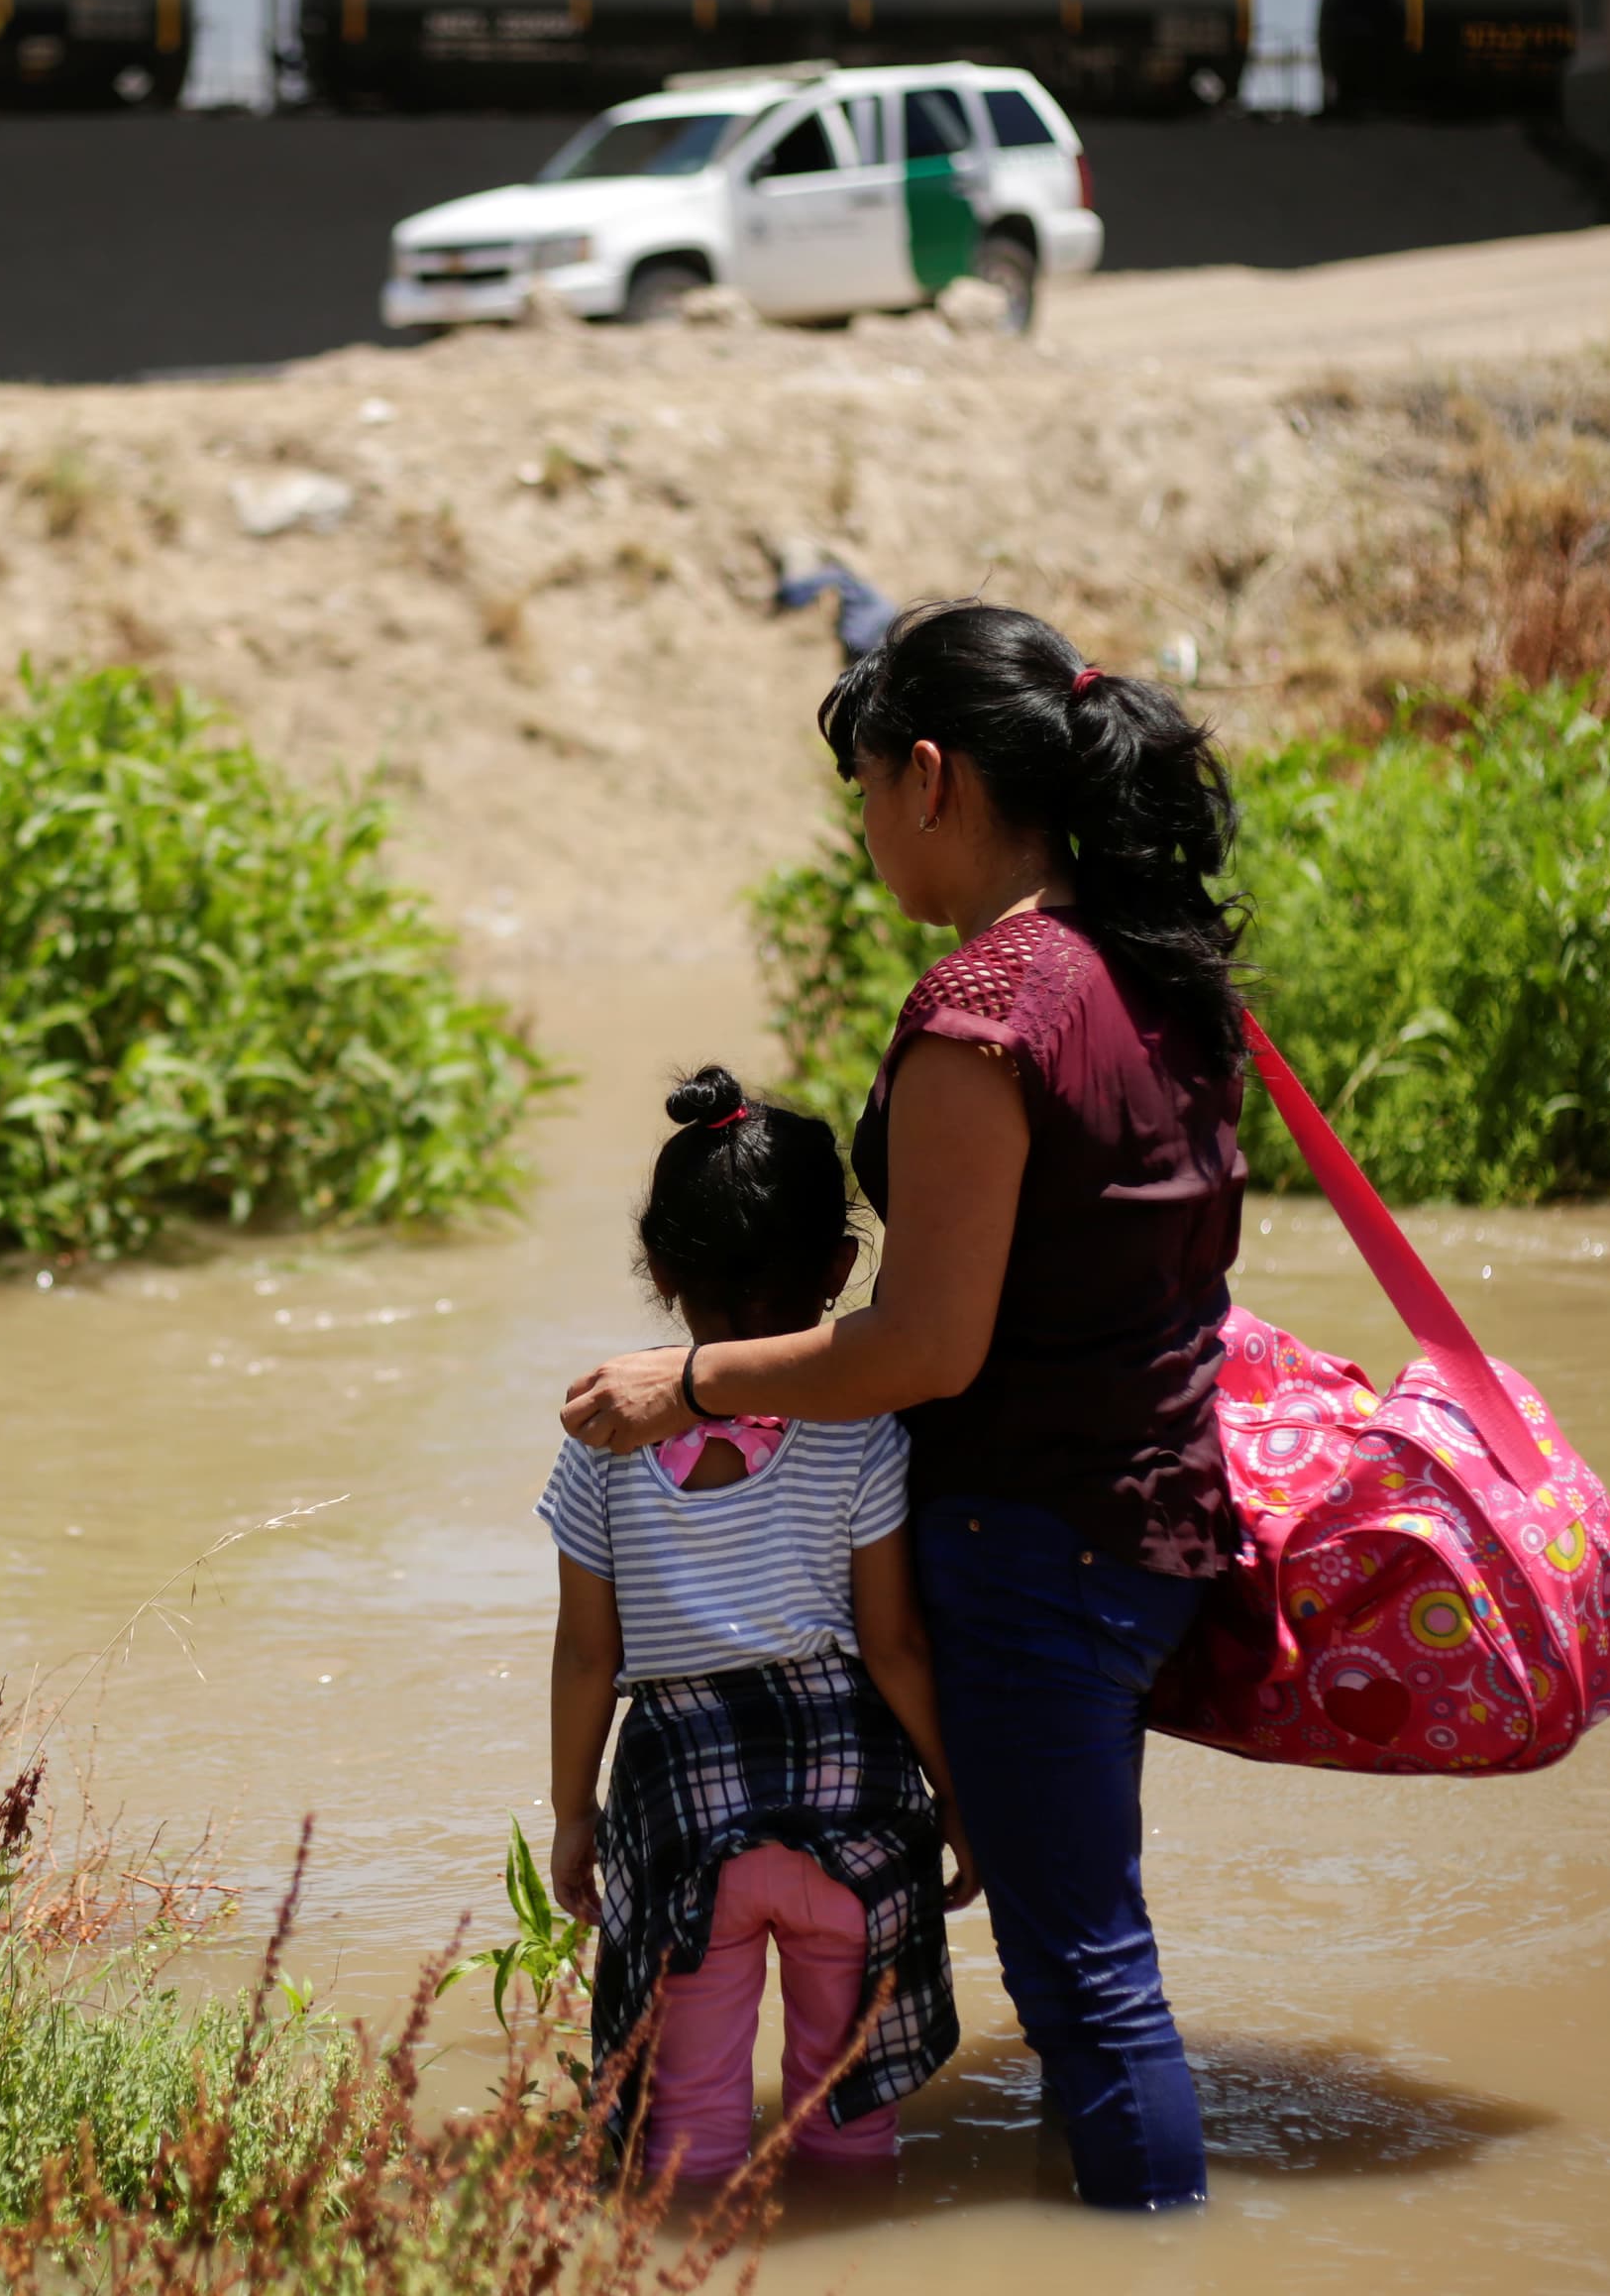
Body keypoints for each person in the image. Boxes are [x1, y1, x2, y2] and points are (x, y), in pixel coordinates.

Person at [560, 602, 1247, 2213]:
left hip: (1035, 1554)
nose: (865, 826)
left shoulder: (982, 1012)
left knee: (1087, 1975)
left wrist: (690, 1382)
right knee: (1088, 1935)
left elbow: (928, 1346)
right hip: (1155, 1523)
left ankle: (1153, 2241)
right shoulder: (1157, 970)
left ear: (926, 777)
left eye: (863, 787)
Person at [538, 1064, 976, 2190]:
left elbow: (589, 1656)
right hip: (857, 1814)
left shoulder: (603, 1443)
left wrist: (571, 1812)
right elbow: (895, 1646)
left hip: (688, 1827)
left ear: (662, 1275)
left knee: (686, 2137)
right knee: (848, 2119)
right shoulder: (865, 1431)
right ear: (840, 1267)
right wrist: (960, 1803)